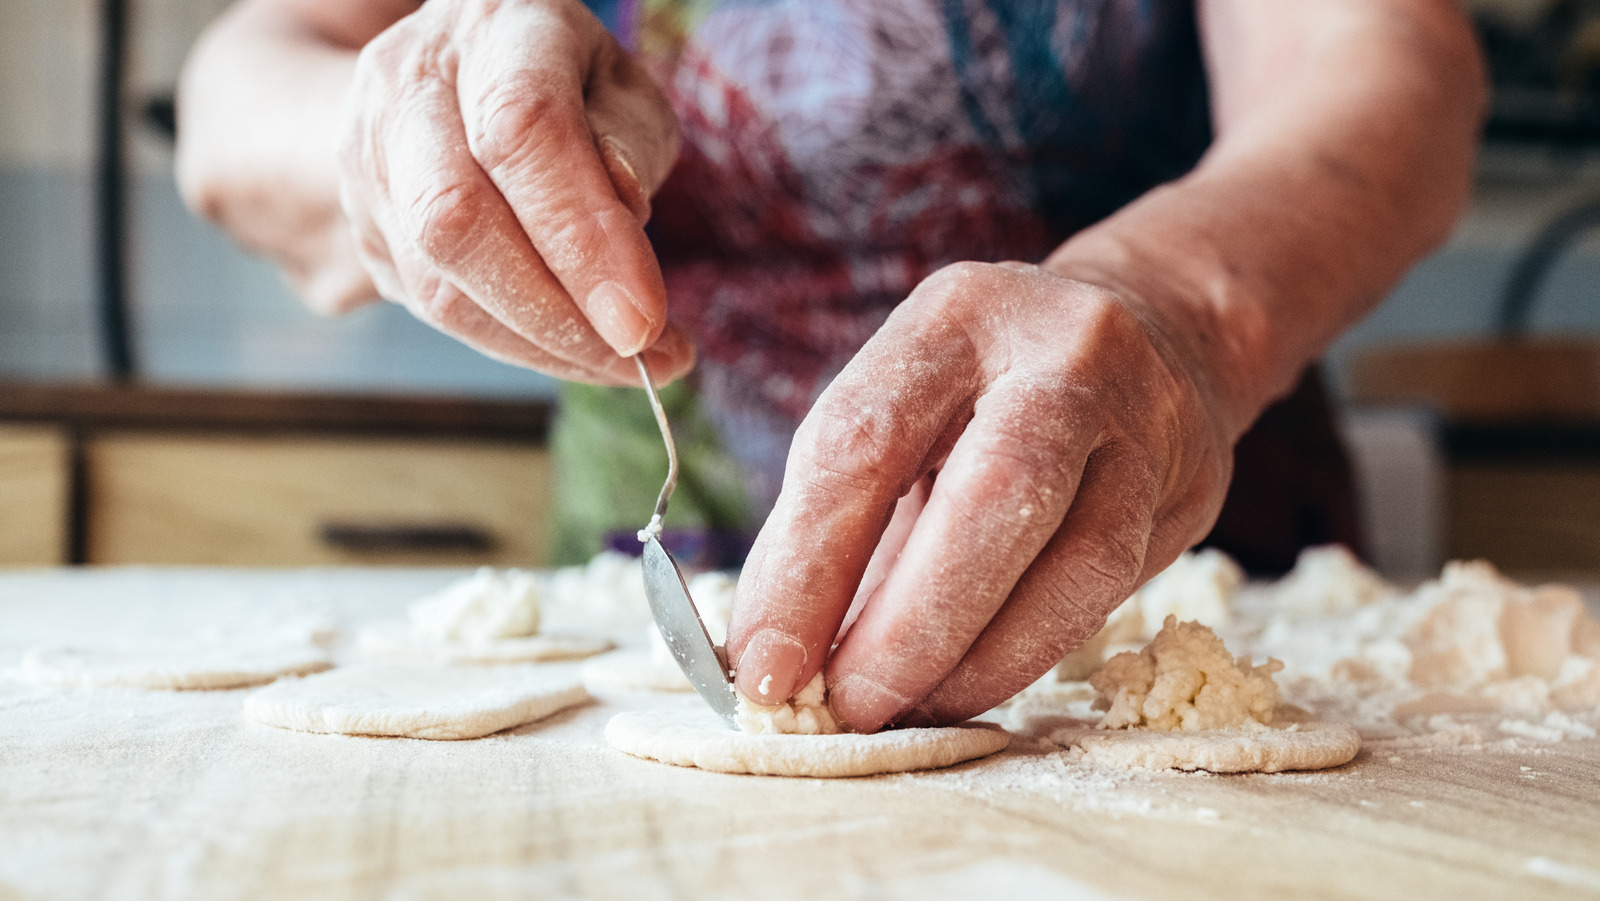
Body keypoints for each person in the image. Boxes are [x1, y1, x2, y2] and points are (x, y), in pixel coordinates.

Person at [174, 0, 1485, 733]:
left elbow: (1391, 60)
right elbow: (237, 88)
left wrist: (1179, 304)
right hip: (651, 583)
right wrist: (371, 128)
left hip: (1182, 597)